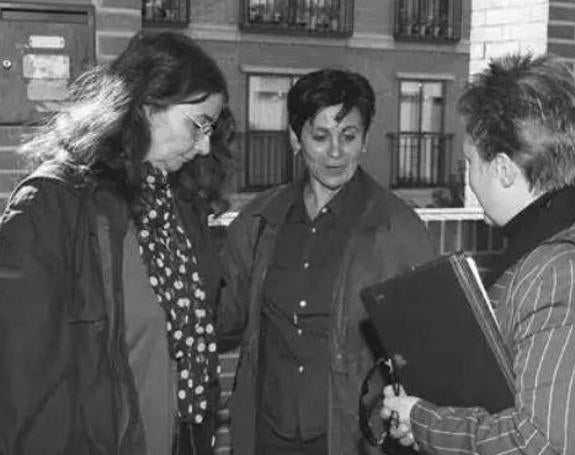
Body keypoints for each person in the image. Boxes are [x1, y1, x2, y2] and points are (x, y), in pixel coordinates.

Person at [381, 53, 575, 454]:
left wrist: (423, 420)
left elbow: (544, 445)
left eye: (471, 163)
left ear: (504, 170)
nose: (468, 179)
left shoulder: (561, 272)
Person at [0, 31, 233, 455]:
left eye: (211, 131)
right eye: (198, 125)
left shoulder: (180, 204)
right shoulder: (52, 206)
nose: (204, 147)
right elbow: (24, 387)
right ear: (146, 107)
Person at [216, 68, 435, 455]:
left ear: (365, 139)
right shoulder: (257, 222)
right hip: (266, 435)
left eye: (348, 136)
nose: (335, 152)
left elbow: (426, 355)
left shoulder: (398, 230)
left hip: (350, 439)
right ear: (294, 138)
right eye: (320, 136)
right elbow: (223, 320)